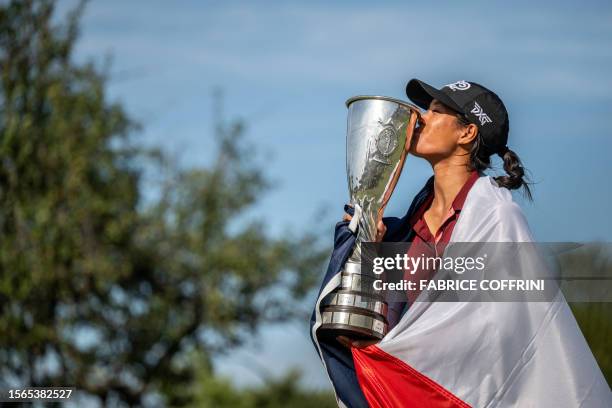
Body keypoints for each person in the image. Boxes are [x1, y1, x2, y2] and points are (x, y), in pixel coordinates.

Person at [313, 79, 611, 408]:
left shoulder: (497, 219)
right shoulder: (404, 230)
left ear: (467, 133)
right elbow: (380, 321)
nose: (420, 117)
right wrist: (367, 251)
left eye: (437, 111)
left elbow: (497, 336)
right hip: (398, 394)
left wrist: (411, 355)